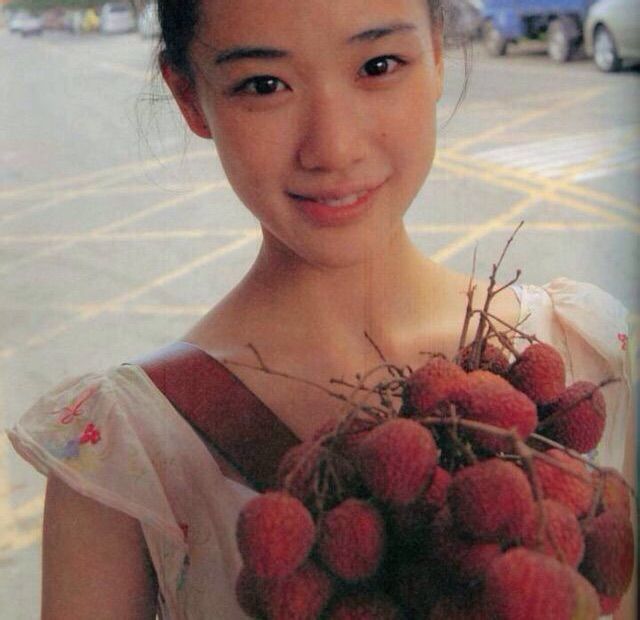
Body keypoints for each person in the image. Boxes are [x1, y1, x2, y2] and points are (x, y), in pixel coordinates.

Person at [6, 0, 635, 618]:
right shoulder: (125, 458)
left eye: (379, 66)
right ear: (190, 97)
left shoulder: (586, 352)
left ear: (438, 55)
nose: (333, 148)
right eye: (263, 84)